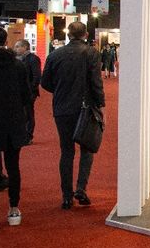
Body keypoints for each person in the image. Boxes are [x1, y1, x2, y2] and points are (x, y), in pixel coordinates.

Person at [40, 21, 105, 209]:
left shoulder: (54, 55)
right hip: (86, 108)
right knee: (88, 148)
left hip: (62, 109)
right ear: (85, 35)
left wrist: (61, 91)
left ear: (68, 35)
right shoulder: (91, 53)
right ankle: (81, 188)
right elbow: (96, 82)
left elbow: (45, 83)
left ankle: (66, 196)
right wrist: (101, 104)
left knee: (66, 151)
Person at [0, 27, 32, 226]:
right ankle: (14, 209)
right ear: (6, 41)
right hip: (12, 122)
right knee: (13, 166)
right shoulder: (18, 66)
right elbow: (27, 96)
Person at [13, 39, 41, 141]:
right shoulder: (18, 59)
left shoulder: (33, 59)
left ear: (25, 47)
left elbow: (36, 76)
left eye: (17, 46)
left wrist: (31, 90)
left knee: (28, 114)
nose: (15, 48)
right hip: (20, 91)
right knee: (22, 114)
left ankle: (28, 135)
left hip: (29, 92)